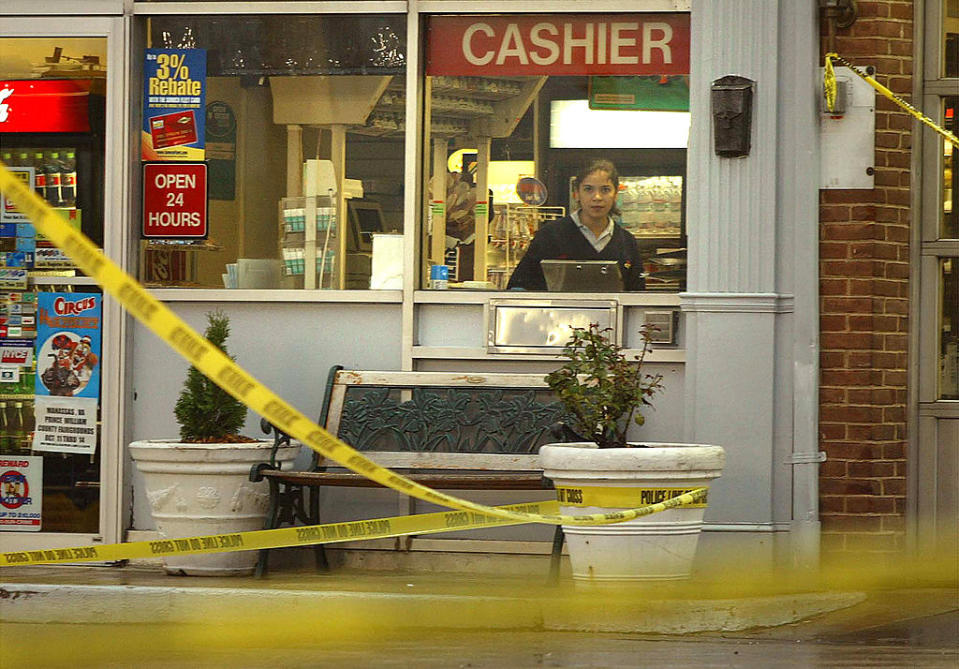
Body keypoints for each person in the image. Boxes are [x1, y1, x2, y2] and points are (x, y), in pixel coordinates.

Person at [506, 159, 644, 291]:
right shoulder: (550, 235)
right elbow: (519, 286)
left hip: (614, 315)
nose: (597, 197)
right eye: (588, 189)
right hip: (559, 315)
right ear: (576, 194)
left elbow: (638, 294)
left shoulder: (627, 241)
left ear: (615, 195)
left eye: (605, 190)